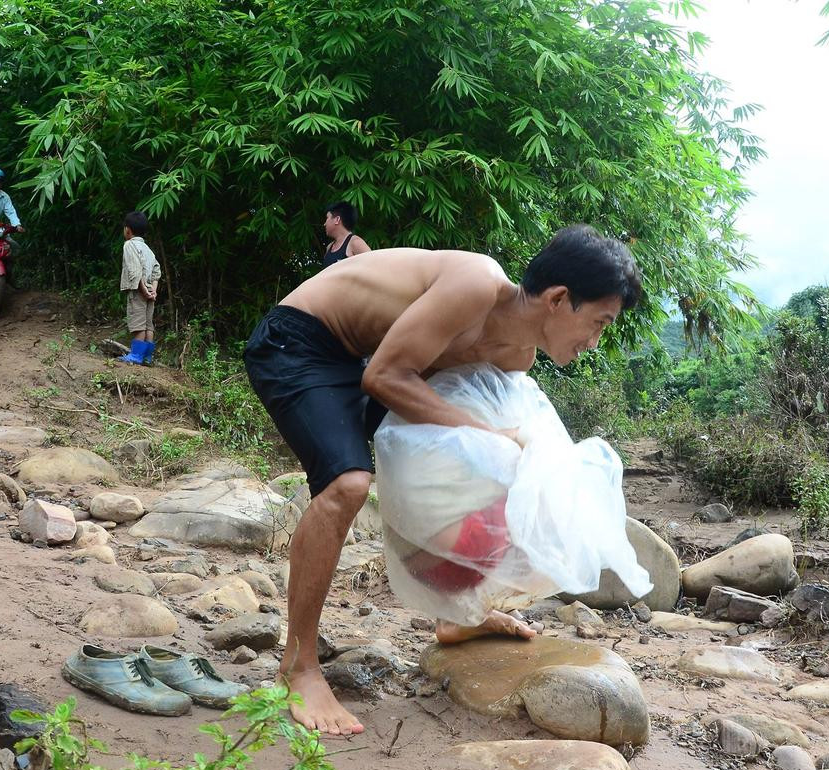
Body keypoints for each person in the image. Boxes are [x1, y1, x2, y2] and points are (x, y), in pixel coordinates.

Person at [243, 225, 641, 736]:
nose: (594, 342)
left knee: (505, 474)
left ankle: (457, 614)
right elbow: (384, 378)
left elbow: (446, 432)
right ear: (559, 299)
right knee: (346, 486)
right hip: (300, 341)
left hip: (370, 358)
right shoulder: (476, 283)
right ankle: (299, 665)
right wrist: (492, 437)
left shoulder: (516, 356)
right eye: (599, 323)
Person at [117, 211, 162, 365]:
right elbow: (157, 270)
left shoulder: (129, 245)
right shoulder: (147, 249)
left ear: (127, 230)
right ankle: (147, 357)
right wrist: (153, 290)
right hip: (150, 291)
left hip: (138, 291)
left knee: (138, 323)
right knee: (148, 324)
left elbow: (135, 271)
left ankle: (136, 356)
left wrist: (143, 291)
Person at [321, 201, 371, 266]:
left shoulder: (355, 243)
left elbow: (374, 267)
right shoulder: (329, 247)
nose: (324, 224)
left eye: (327, 218)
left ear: (337, 220)